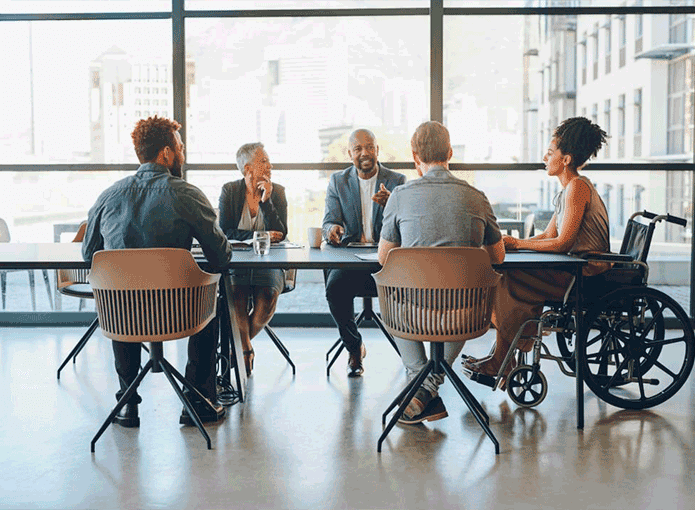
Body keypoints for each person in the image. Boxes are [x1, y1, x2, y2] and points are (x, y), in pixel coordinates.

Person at [82, 116, 232, 428]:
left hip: (122, 318)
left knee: (120, 295)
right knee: (211, 298)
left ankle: (126, 402)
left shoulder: (108, 196)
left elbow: (88, 255)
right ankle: (199, 400)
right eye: (180, 147)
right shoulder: (187, 194)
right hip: (180, 315)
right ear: (166, 153)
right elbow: (220, 257)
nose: (183, 152)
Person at [464, 116, 609, 387]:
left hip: (585, 275)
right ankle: (503, 358)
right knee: (508, 275)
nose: (545, 157)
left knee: (507, 279)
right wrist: (516, 243)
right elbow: (547, 236)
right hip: (575, 269)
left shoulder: (577, 187)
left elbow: (564, 243)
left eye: (551, 152)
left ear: (565, 159)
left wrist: (518, 244)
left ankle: (502, 360)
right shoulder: (569, 189)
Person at [378, 120, 505, 424]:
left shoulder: (399, 196)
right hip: (465, 315)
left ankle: (419, 384)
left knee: (390, 285)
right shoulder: (477, 197)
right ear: (449, 152)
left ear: (414, 157)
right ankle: (427, 387)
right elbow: (497, 256)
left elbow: (384, 258)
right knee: (465, 295)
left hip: (410, 315)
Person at [322, 128, 406, 377]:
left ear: (378, 150)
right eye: (358, 149)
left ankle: (410, 351)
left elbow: (409, 225)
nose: (365, 153)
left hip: (386, 259)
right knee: (334, 289)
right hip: (351, 258)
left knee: (407, 287)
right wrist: (332, 229)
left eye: (370, 147)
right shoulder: (339, 181)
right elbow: (328, 221)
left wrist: (392, 203)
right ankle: (354, 347)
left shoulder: (397, 181)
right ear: (350, 154)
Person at [218, 142, 287, 376]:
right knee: (235, 297)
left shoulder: (277, 191)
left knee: (266, 300)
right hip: (236, 262)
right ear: (248, 168)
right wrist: (261, 235)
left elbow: (281, 232)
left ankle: (235, 347)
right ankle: (245, 349)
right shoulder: (230, 191)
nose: (270, 165)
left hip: (269, 262)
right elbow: (225, 231)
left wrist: (266, 202)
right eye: (264, 161)